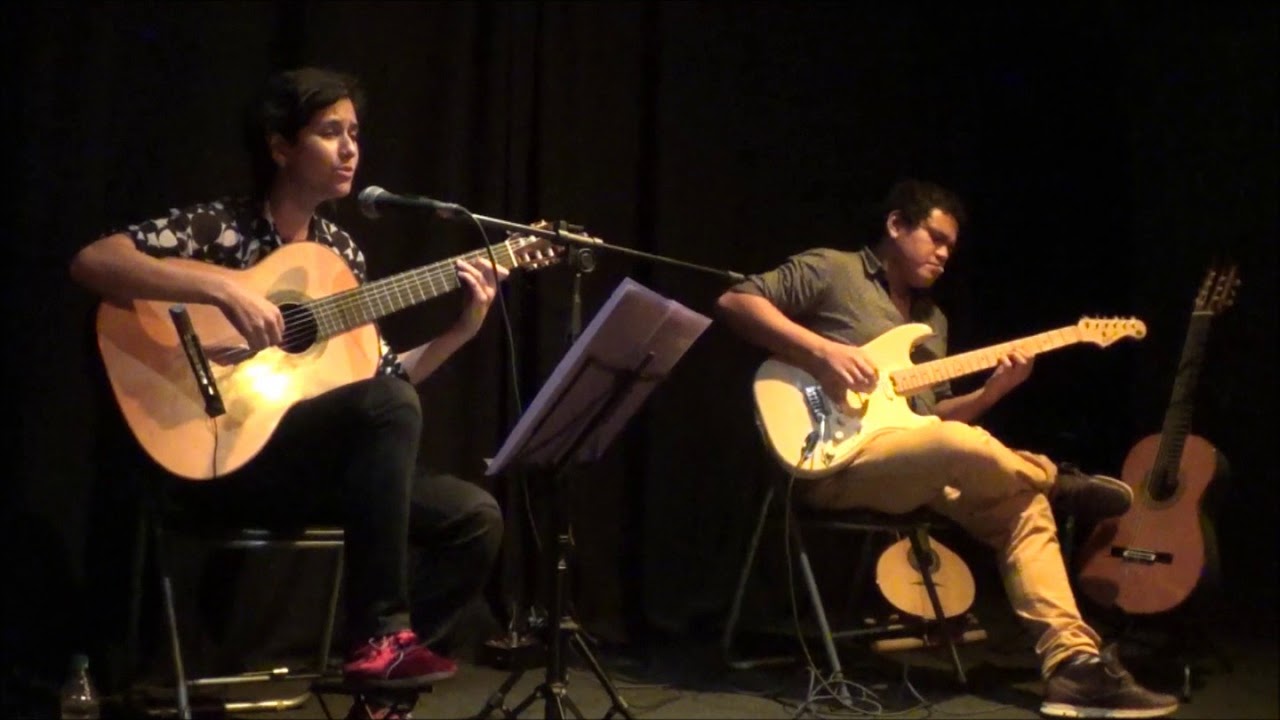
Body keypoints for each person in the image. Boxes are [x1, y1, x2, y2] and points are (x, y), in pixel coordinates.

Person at [70, 67, 505, 718]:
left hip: (306, 466)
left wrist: (460, 331)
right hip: (217, 455)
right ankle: (381, 633)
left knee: (475, 519)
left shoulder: (342, 255)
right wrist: (221, 288)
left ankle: (383, 699)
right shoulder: (221, 230)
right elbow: (93, 263)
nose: (351, 148)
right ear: (280, 147)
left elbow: (383, 382)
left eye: (355, 132)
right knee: (388, 412)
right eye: (331, 132)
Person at [715, 179, 1179, 718]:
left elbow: (928, 420)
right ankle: (1055, 479)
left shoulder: (930, 323)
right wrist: (822, 353)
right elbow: (736, 300)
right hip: (826, 460)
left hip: (907, 460)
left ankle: (1073, 667)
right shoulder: (833, 270)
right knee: (975, 454)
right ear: (895, 225)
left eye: (951, 248)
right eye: (934, 238)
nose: (943, 254)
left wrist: (990, 393)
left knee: (1019, 507)